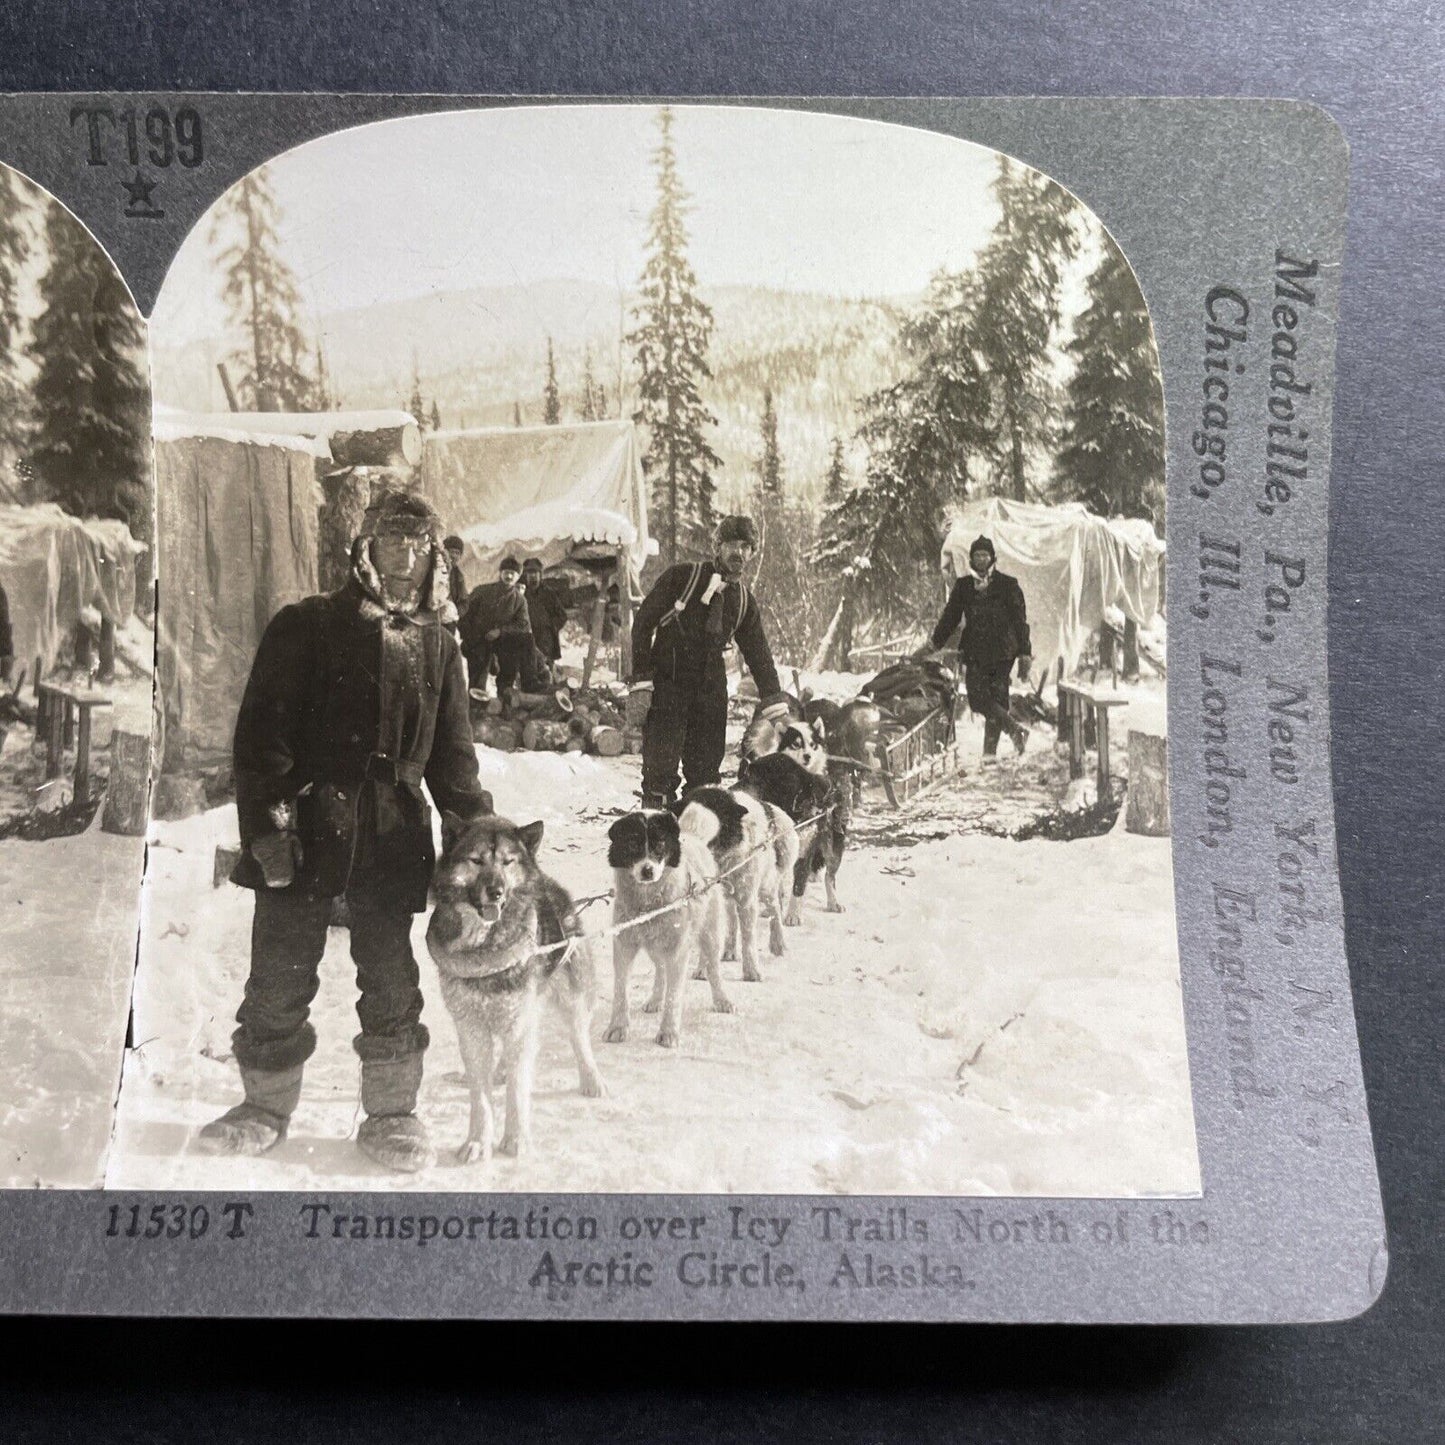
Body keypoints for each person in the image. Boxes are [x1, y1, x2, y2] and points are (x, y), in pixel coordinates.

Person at [199, 491, 492, 1172]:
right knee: (278, 975)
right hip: (308, 822)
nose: (404, 557)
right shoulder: (307, 625)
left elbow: (454, 764)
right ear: (364, 548)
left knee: (390, 981)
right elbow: (261, 739)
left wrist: (482, 847)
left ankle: (391, 1115)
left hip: (393, 834)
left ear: (433, 557)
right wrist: (268, 827)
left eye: (417, 546)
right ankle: (262, 1106)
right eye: (391, 542)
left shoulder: (440, 644)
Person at [628, 514, 790, 808]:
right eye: (731, 544)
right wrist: (641, 681)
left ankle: (696, 843)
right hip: (669, 684)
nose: (738, 553)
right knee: (659, 774)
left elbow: (759, 654)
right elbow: (642, 624)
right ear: (717, 546)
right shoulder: (683, 577)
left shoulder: (743, 601)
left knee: (704, 779)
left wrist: (774, 702)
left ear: (752, 553)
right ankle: (656, 838)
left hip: (710, 692)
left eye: (745, 547)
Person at [920, 534, 1032, 757]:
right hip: (975, 652)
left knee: (998, 698)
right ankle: (1014, 729)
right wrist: (935, 643)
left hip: (1003, 652)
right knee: (977, 699)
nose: (981, 559)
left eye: (985, 555)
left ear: (992, 558)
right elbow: (950, 617)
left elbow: (1020, 620)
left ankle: (989, 754)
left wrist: (1025, 653)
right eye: (977, 555)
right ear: (971, 559)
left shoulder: (1008, 585)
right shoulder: (963, 586)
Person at [459, 556, 532, 699]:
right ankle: (475, 705)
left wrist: (500, 631)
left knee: (509, 666)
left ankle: (504, 700)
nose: (509, 576)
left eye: (514, 573)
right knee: (478, 676)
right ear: (500, 572)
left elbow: (523, 625)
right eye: (506, 572)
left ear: (518, 576)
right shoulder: (482, 591)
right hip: (479, 641)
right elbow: (465, 615)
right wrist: (469, 637)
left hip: (502, 643)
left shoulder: (520, 600)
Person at [520, 556, 568, 689]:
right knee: (527, 671)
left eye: (535, 573)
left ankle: (547, 699)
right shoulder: (521, 593)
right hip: (527, 638)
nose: (532, 577)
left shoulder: (548, 594)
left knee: (546, 674)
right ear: (525, 575)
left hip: (545, 641)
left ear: (540, 575)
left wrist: (550, 626)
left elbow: (562, 616)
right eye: (529, 573)